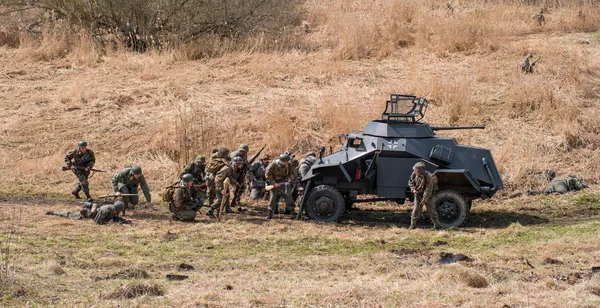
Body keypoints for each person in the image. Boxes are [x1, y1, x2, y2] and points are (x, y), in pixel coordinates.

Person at [408, 162, 439, 230]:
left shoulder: (429, 178)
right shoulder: (414, 174)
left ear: (418, 171)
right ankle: (412, 225)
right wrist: (413, 190)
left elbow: (428, 190)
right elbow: (410, 183)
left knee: (432, 211)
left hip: (428, 196)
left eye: (415, 170)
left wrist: (424, 201)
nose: (414, 171)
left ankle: (437, 226)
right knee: (415, 211)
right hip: (418, 194)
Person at [205, 148, 235, 219]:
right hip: (217, 183)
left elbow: (228, 176)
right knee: (221, 199)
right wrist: (221, 189)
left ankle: (217, 214)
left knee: (222, 198)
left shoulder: (217, 161)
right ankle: (210, 211)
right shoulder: (226, 167)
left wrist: (234, 182)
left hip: (215, 182)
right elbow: (218, 178)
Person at [265, 153, 296, 219]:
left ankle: (292, 213)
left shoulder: (289, 165)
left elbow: (293, 174)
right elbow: (267, 175)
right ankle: (269, 214)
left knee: (289, 196)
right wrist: (274, 183)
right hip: (275, 183)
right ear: (283, 161)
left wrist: (290, 179)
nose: (288, 163)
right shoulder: (273, 165)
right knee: (273, 198)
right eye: (287, 162)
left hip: (285, 183)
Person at [46, 201, 131, 224]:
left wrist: (124, 221)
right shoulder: (106, 210)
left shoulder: (113, 210)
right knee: (71, 215)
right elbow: (97, 221)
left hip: (96, 214)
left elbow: (115, 217)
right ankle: (54, 212)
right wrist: (108, 223)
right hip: (90, 214)